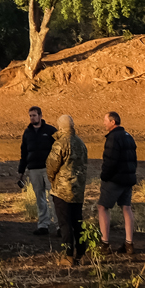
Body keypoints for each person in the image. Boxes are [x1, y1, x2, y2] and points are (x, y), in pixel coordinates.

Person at [44, 113, 88, 266]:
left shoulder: (60, 143)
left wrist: (52, 179)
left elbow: (51, 165)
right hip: (78, 189)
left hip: (62, 190)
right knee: (78, 221)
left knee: (65, 222)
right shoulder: (81, 143)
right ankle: (82, 253)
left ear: (60, 126)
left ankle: (68, 255)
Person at [97, 110, 138, 256]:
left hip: (115, 179)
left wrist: (104, 176)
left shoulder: (113, 138)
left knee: (102, 207)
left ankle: (105, 243)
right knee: (126, 208)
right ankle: (129, 243)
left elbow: (110, 161)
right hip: (128, 179)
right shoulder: (129, 137)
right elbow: (133, 160)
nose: (104, 123)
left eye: (105, 120)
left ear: (113, 122)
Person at [17, 105, 56, 237]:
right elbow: (24, 153)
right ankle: (43, 225)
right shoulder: (27, 133)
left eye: (34, 115)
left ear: (40, 116)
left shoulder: (50, 131)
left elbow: (60, 149)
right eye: (30, 115)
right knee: (39, 198)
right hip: (34, 169)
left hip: (49, 169)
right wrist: (21, 173)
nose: (32, 118)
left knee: (53, 197)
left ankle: (59, 225)